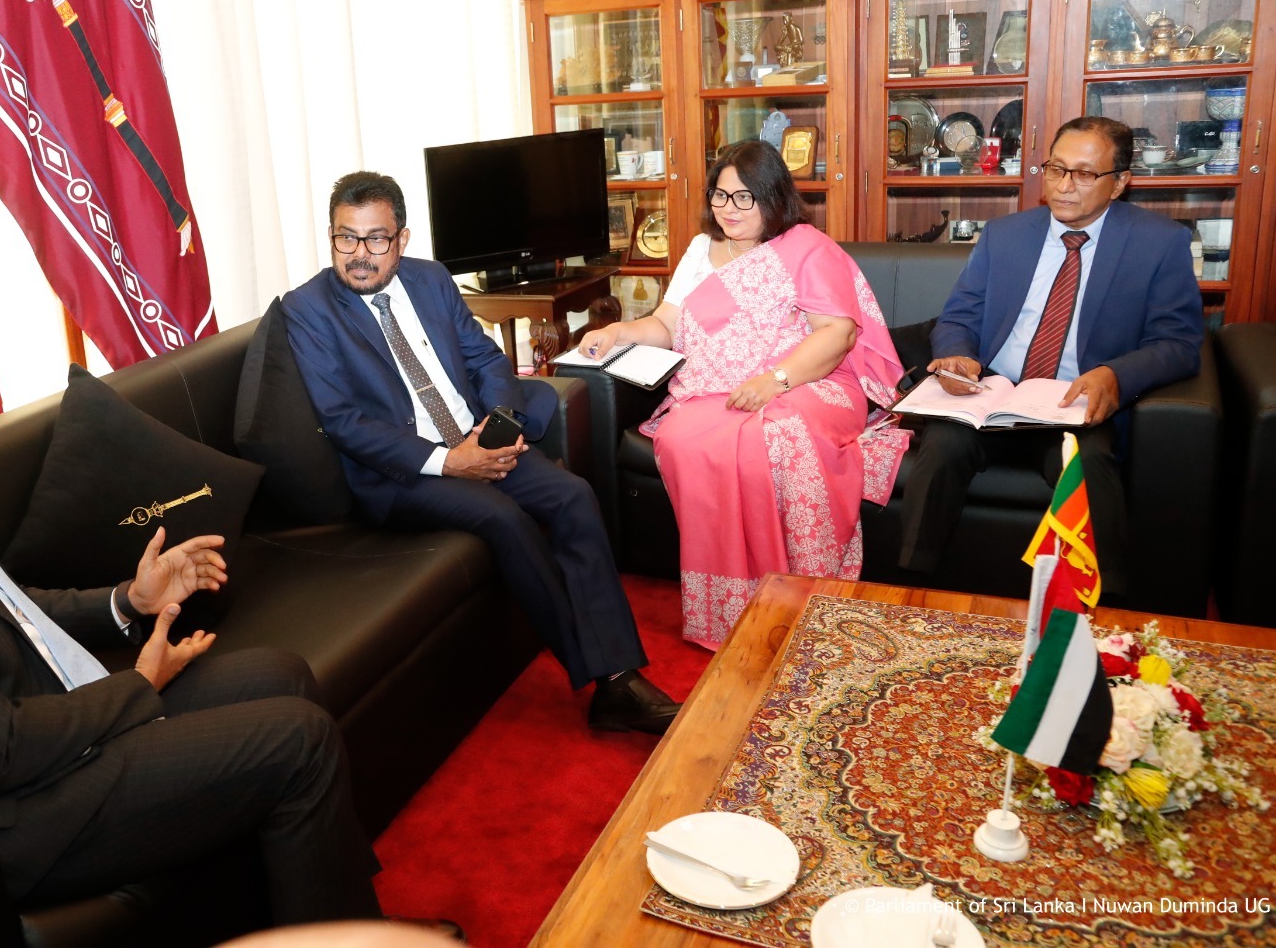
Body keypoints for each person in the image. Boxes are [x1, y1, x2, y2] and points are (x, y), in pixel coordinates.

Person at [0, 315, 382, 925]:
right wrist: (140, 684)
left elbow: (6, 608)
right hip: (11, 816)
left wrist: (130, 601)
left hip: (41, 729)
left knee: (282, 674)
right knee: (297, 740)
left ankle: (320, 913)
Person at [282, 171, 679, 735]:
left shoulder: (430, 279)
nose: (360, 254)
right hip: (403, 473)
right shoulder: (308, 309)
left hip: (476, 438)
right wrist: (450, 462)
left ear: (402, 239)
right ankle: (609, 681)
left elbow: (486, 359)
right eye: (346, 237)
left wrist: (498, 422)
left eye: (376, 239)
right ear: (331, 236)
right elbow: (344, 421)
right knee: (504, 518)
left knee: (573, 496)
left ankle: (617, 678)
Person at [578, 141, 909, 648]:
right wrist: (618, 331)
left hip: (810, 382)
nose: (728, 209)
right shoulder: (698, 250)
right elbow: (666, 324)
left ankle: (802, 595)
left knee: (774, 435)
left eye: (743, 198)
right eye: (719, 195)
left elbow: (838, 333)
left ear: (773, 197)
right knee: (683, 439)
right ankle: (730, 610)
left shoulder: (806, 248)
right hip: (714, 387)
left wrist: (772, 381)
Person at [896, 115, 1203, 597]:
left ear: (1119, 182)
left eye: (1084, 173)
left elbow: (1179, 342)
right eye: (1056, 169)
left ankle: (1106, 607)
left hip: (1073, 403)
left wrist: (1115, 375)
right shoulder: (1006, 235)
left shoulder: (1159, 243)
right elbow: (958, 316)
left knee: (1086, 467)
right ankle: (910, 589)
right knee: (942, 446)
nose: (1063, 185)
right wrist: (957, 356)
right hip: (993, 393)